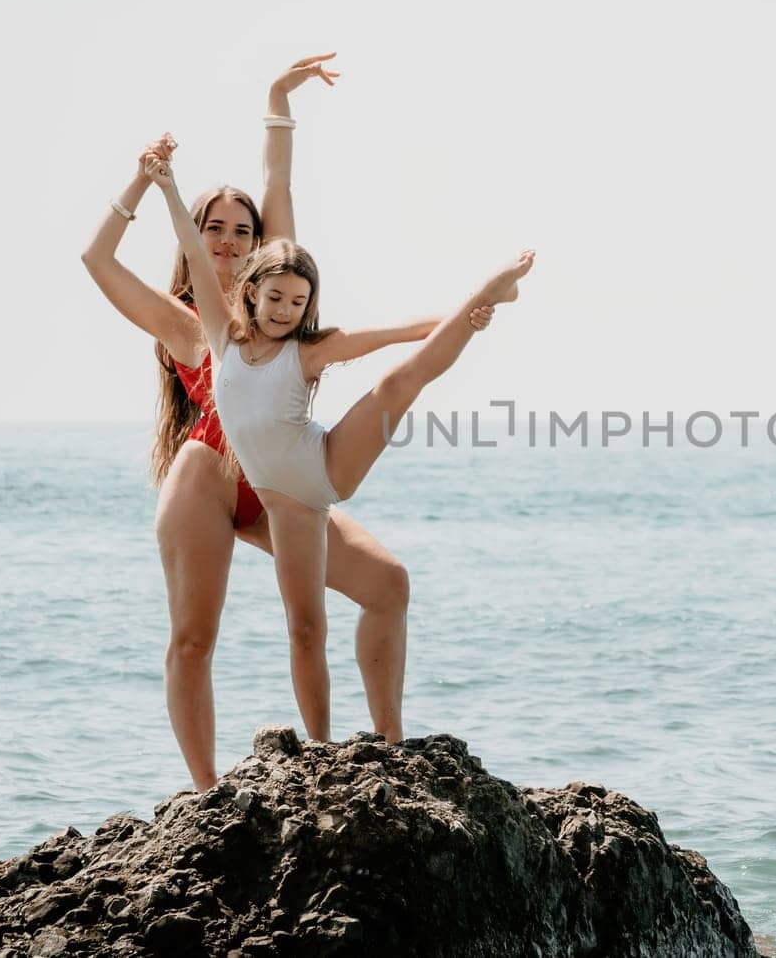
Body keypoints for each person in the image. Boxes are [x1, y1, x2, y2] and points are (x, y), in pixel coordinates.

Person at [82, 55, 490, 791]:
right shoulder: (189, 321)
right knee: (192, 637)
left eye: (243, 230)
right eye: (214, 230)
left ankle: (384, 752)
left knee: (388, 584)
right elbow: (97, 259)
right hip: (207, 477)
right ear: (197, 240)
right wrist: (146, 178)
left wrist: (277, 99)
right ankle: (206, 793)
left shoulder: (284, 290)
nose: (231, 241)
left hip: (285, 484)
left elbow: (278, 184)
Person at [142, 145, 533, 747]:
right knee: (305, 628)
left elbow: (398, 335)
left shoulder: (310, 350)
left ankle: (488, 292)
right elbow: (195, 252)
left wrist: (465, 316)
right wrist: (167, 186)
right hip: (289, 504)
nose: (284, 310)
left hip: (325, 465)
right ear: (250, 294)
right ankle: (322, 751)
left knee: (399, 381)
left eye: (298, 304)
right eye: (275, 298)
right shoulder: (218, 334)